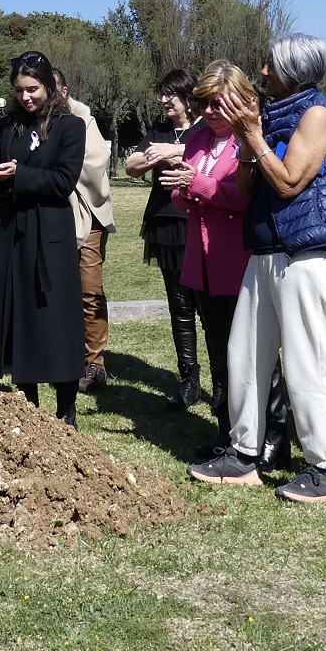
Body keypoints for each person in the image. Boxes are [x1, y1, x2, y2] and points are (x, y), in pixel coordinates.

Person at [190, 33, 326, 504]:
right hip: (267, 254)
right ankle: (244, 453)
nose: (262, 72)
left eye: (270, 65)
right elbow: (251, 188)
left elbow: (289, 182)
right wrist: (251, 141)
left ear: (294, 69)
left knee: (307, 364)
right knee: (243, 354)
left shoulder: (317, 115)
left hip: (309, 257)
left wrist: (252, 135)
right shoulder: (271, 115)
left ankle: (323, 468)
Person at [163, 62, 289, 461]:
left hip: (238, 259)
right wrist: (182, 191)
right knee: (220, 355)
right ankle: (228, 432)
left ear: (240, 99)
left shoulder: (252, 138)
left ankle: (275, 438)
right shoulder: (198, 136)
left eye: (218, 103)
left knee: (257, 354)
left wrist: (196, 184)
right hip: (200, 261)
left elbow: (248, 197)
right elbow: (187, 196)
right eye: (203, 103)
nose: (210, 111)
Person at [0, 52, 87, 427]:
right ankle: (27, 404)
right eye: (20, 90)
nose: (26, 97)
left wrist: (20, 174)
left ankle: (66, 407)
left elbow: (63, 181)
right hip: (9, 231)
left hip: (49, 232)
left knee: (55, 318)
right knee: (17, 315)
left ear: (49, 86)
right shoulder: (5, 124)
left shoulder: (69, 126)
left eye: (33, 89)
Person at [125, 68, 202, 409]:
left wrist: (172, 152)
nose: (164, 100)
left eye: (170, 94)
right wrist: (154, 154)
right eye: (162, 94)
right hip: (165, 223)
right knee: (179, 306)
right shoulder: (158, 129)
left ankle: (224, 384)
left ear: (188, 95)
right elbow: (132, 165)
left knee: (210, 307)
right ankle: (189, 381)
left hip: (199, 221)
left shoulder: (204, 127)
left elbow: (209, 160)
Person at [53, 68, 116, 392]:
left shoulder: (83, 119)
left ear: (64, 91)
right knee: (57, 290)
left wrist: (57, 172)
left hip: (87, 216)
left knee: (89, 292)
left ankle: (95, 362)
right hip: (53, 215)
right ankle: (61, 355)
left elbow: (93, 164)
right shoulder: (39, 123)